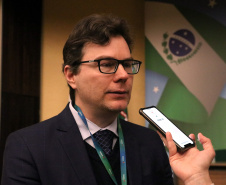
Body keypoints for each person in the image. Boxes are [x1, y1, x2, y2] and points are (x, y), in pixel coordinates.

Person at [1, 14, 215, 185]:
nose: (123, 75)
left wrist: (197, 179)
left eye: (127, 64)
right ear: (71, 75)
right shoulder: (28, 146)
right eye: (107, 64)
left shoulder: (151, 144)